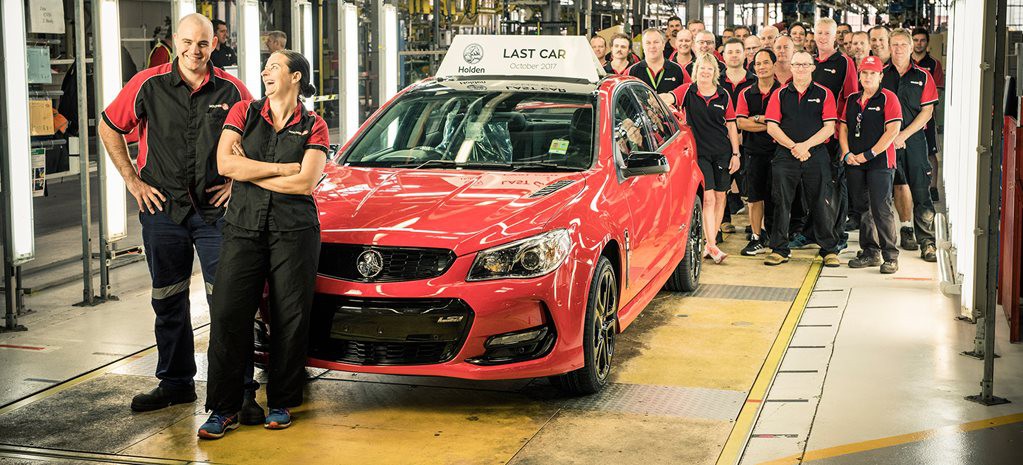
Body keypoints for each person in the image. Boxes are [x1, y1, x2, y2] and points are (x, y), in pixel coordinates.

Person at [98, 13, 257, 415]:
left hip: (216, 213)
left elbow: (260, 137)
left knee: (229, 304)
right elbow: (108, 125)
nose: (194, 50)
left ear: (214, 46)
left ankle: (239, 389)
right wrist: (133, 181)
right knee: (168, 300)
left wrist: (237, 183)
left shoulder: (233, 90)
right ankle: (175, 383)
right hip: (162, 210)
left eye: (202, 43)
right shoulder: (147, 84)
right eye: (187, 42)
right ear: (174, 42)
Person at [199, 49, 329, 439]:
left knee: (290, 317)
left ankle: (281, 402)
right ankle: (223, 409)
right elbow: (225, 164)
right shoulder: (243, 112)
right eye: (266, 67)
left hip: (294, 231)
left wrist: (251, 172)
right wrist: (281, 168)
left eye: (274, 67)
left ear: (295, 77)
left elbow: (306, 183)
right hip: (242, 227)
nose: (264, 72)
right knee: (227, 314)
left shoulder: (315, 124)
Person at [763, 50, 841, 267]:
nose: (801, 69)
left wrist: (805, 146)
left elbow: (829, 128)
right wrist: (793, 146)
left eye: (805, 65)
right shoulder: (780, 94)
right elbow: (771, 126)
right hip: (785, 155)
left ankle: (829, 249)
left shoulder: (824, 94)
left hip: (815, 155)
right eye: (797, 64)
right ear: (791, 67)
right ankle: (779, 249)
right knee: (781, 201)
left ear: (813, 68)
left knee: (821, 202)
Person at [661, 54, 741, 264]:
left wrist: (736, 154)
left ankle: (710, 244)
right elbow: (665, 98)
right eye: (702, 68)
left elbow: (731, 125)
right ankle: (713, 245)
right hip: (699, 153)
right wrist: (666, 106)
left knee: (721, 196)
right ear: (696, 70)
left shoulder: (723, 95)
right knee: (709, 198)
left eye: (709, 69)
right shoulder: (688, 90)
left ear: (715, 72)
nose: (705, 72)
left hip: (723, 152)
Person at [883, 29, 940, 262]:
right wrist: (890, 137)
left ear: (910, 48)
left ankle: (927, 242)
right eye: (894, 45)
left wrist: (904, 134)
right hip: (886, 140)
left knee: (920, 189)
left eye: (902, 45)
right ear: (889, 47)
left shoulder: (923, 76)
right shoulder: (880, 75)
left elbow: (927, 111)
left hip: (914, 139)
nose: (898, 49)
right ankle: (904, 230)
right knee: (894, 186)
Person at [842, 56, 903, 274]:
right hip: (854, 161)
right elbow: (843, 129)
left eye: (872, 73)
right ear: (859, 75)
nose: (868, 77)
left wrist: (869, 154)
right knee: (862, 207)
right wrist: (847, 152)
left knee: (881, 207)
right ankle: (870, 252)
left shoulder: (889, 98)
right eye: (864, 73)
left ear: (880, 76)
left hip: (880, 162)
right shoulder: (851, 99)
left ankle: (890, 256)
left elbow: (893, 131)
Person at [812, 18, 859, 248]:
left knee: (835, 186)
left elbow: (852, 99)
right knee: (815, 186)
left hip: (834, 136)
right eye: (819, 32)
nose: (822, 37)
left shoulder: (844, 62)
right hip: (812, 136)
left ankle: (838, 235)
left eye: (826, 33)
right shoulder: (809, 63)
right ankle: (814, 233)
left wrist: (844, 139)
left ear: (834, 37)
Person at [736, 49, 782, 256]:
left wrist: (758, 119)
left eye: (765, 63)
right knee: (755, 197)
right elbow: (741, 122)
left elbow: (786, 123)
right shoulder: (747, 93)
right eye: (757, 64)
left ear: (774, 65)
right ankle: (756, 237)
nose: (761, 67)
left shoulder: (783, 91)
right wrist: (767, 123)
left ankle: (775, 237)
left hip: (779, 152)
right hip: (754, 152)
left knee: (776, 197)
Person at [911, 27, 944, 202]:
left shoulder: (934, 64)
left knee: (930, 153)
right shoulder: (906, 62)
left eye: (922, 40)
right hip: (907, 116)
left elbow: (937, 90)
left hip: (927, 115)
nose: (919, 43)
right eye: (915, 40)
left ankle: (933, 187)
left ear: (927, 43)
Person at [627, 29, 686, 93]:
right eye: (648, 43)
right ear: (643, 46)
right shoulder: (631, 72)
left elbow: (690, 94)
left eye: (656, 42)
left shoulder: (678, 70)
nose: (652, 46)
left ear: (663, 45)